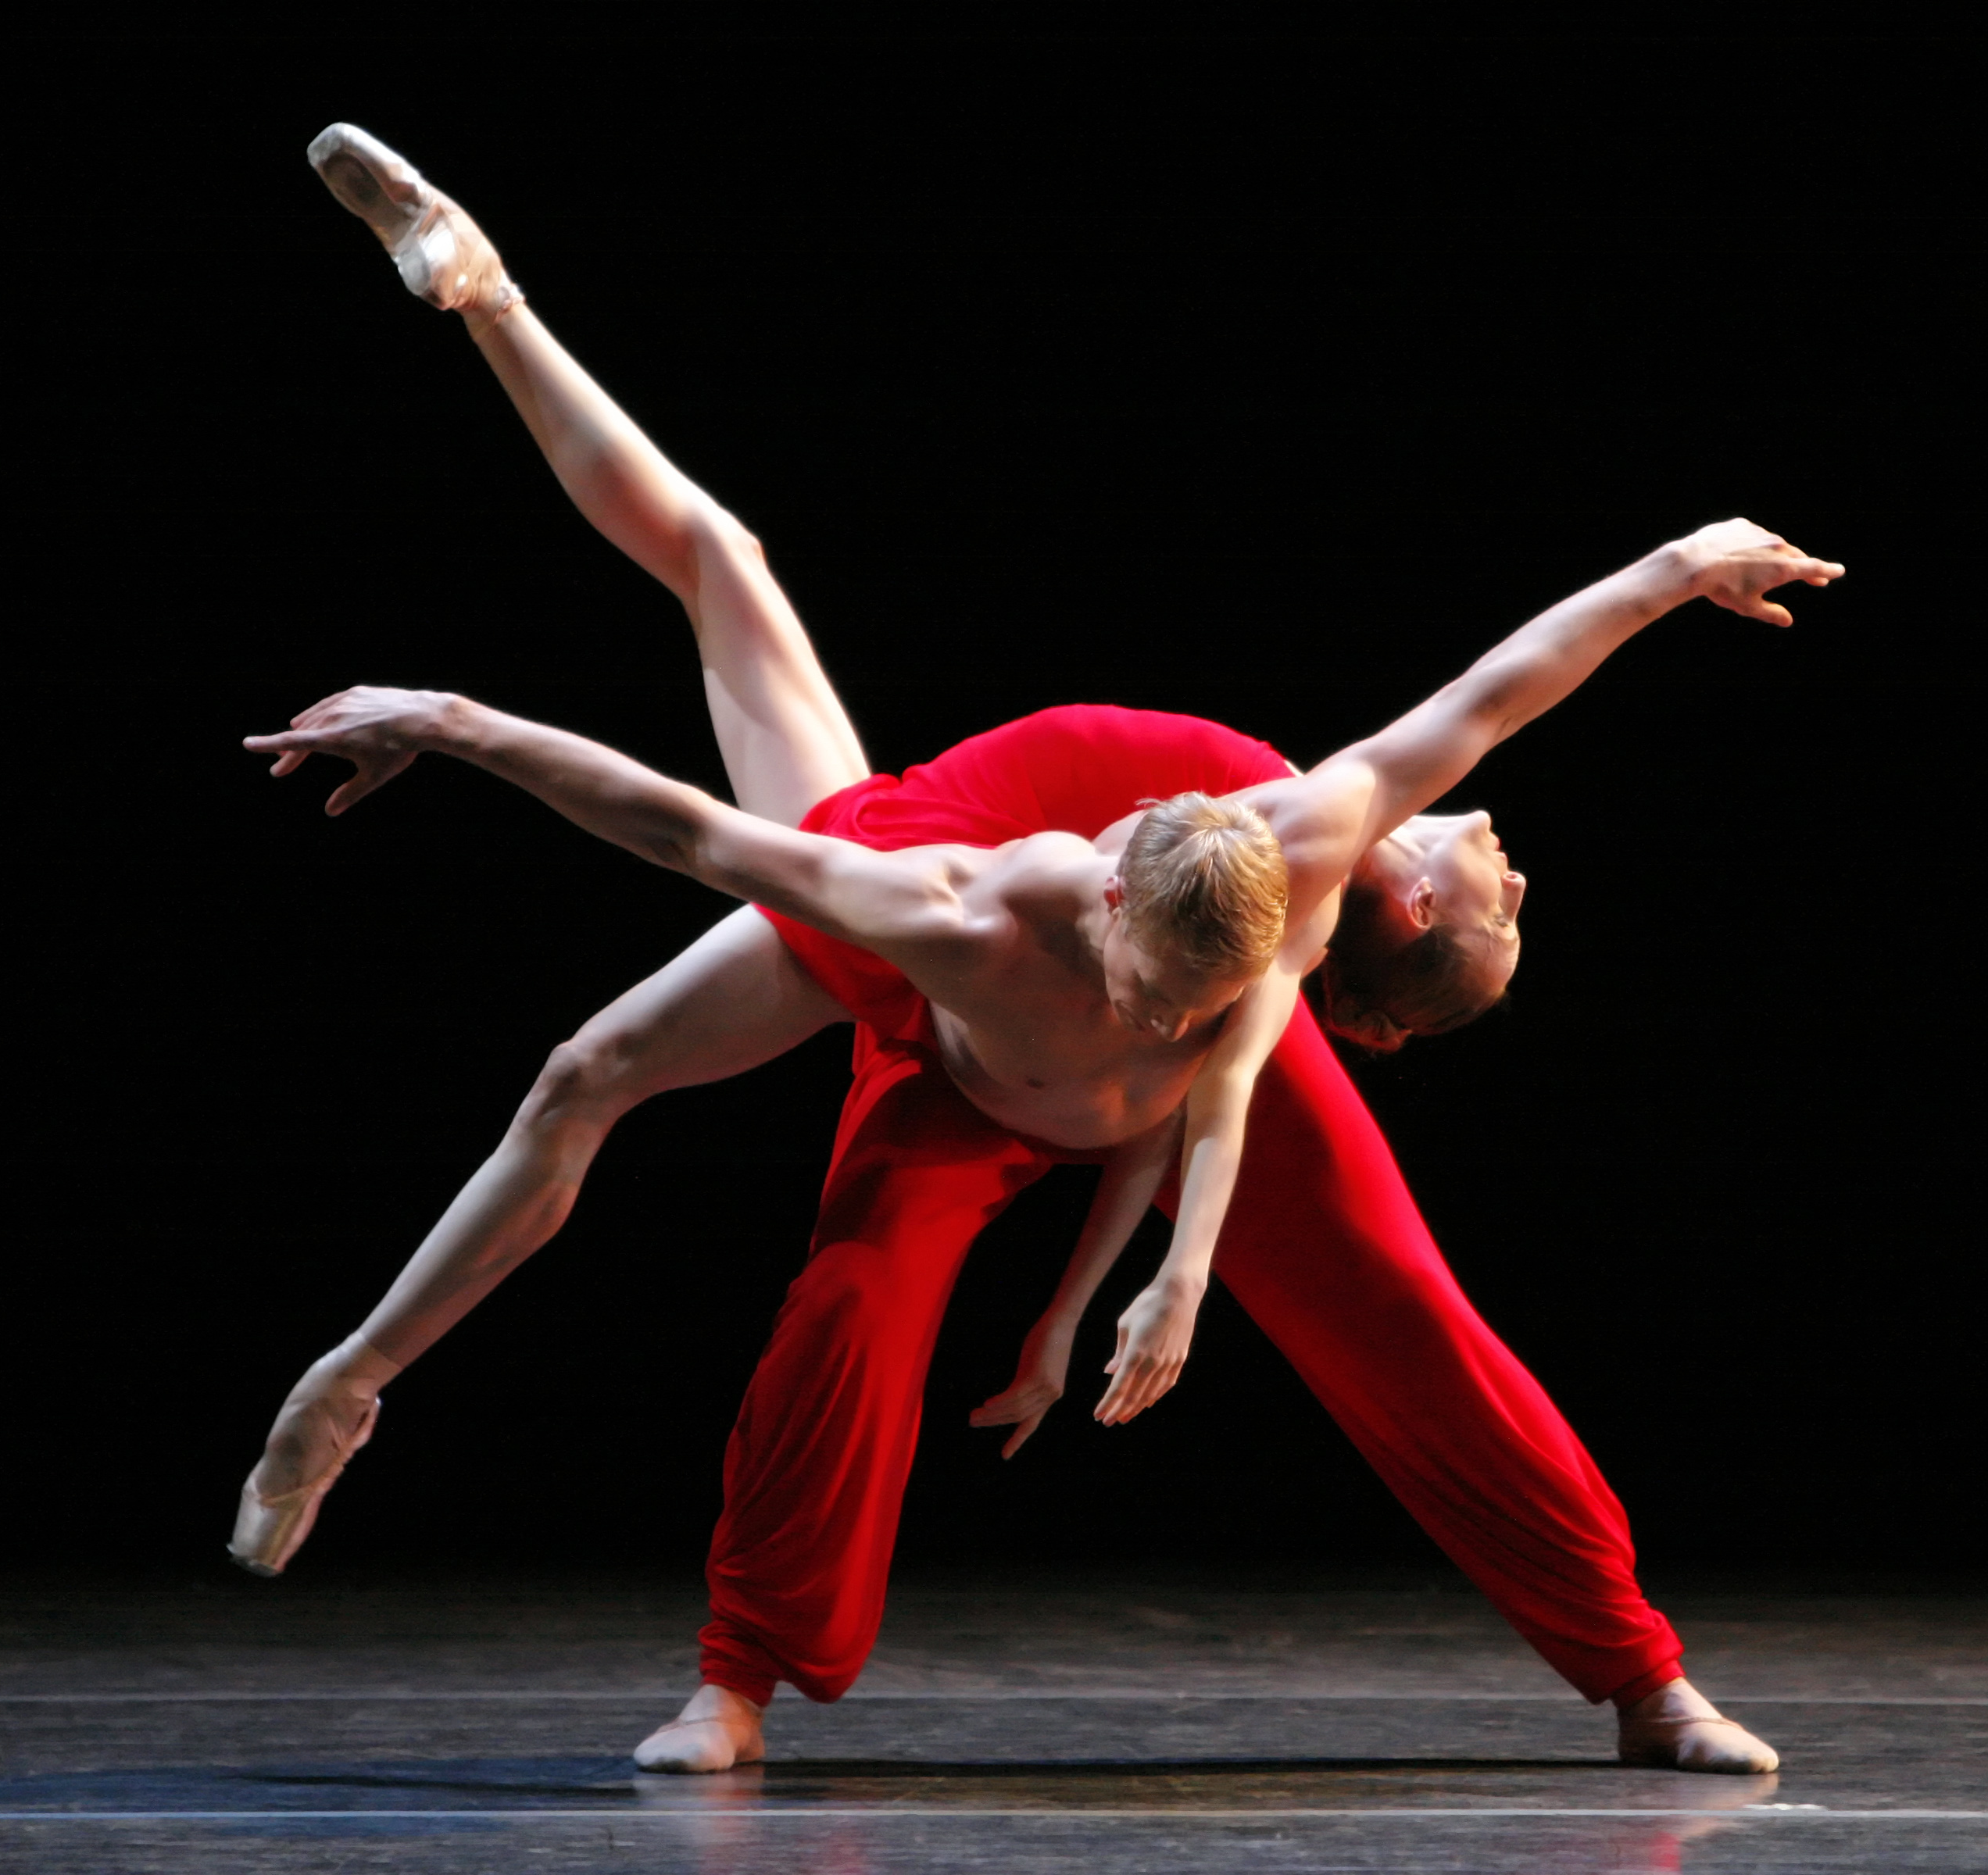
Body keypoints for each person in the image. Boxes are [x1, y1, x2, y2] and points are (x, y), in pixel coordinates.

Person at [235, 123, 1842, 1776]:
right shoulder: (977, 907)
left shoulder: (1289, 899)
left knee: (1399, 1302)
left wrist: (1160, 1289)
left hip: (1108, 932)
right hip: (966, 898)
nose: (1506, 851)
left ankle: (1645, 1677)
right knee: (812, 1259)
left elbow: (1227, 1082)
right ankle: (724, 1668)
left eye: (1498, 889)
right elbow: (682, 829)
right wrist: (452, 718)